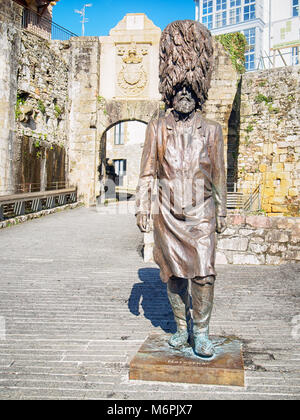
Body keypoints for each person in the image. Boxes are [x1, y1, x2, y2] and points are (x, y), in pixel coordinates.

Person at [135, 20, 227, 358]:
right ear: (171, 91)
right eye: (179, 90)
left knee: (204, 273)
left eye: (190, 90)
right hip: (168, 213)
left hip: (202, 212)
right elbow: (147, 171)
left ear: (198, 91)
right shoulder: (156, 128)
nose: (184, 95)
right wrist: (142, 207)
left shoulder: (213, 130)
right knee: (173, 275)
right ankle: (181, 327)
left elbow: (219, 173)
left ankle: (201, 332)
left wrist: (223, 210)